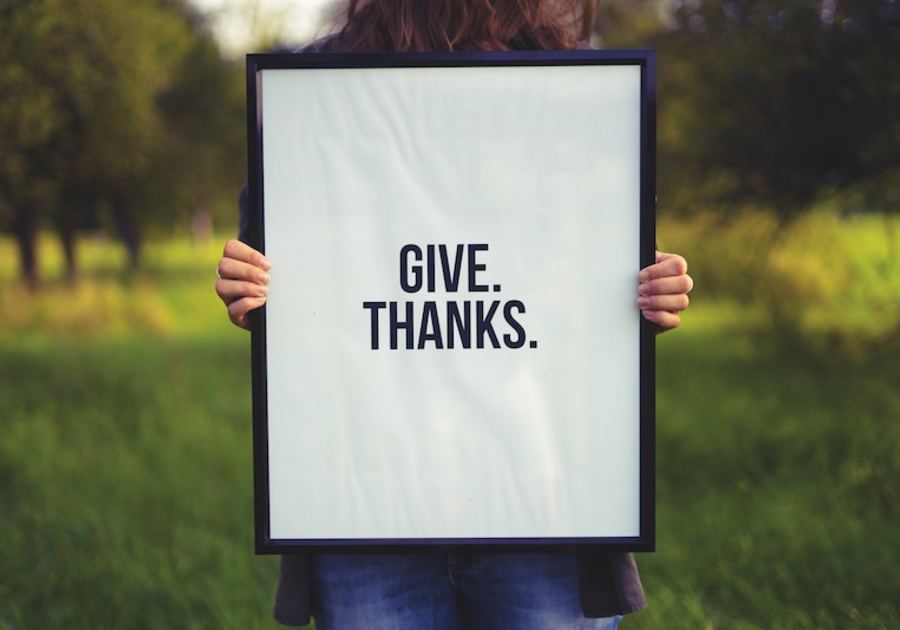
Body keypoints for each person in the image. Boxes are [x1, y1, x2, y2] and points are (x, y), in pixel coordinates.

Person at [215, 1, 694, 628]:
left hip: (541, 496)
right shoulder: (315, 87)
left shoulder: (575, 85)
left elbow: (587, 265)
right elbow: (284, 275)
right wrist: (248, 287)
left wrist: (645, 290)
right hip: (368, 503)